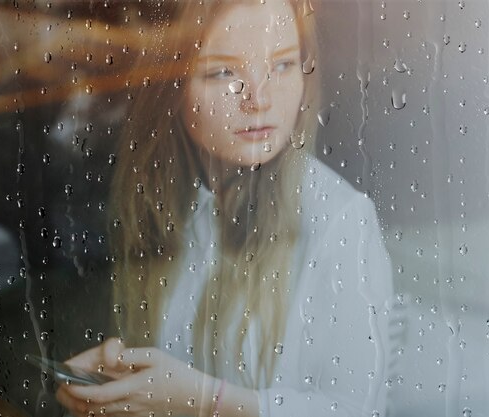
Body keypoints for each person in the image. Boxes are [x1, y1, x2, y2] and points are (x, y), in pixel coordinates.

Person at [56, 1, 394, 416]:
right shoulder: (156, 197)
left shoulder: (341, 221)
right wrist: (117, 384)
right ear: (169, 86)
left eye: (283, 65)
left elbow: (358, 411)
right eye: (224, 71)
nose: (259, 98)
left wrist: (208, 402)